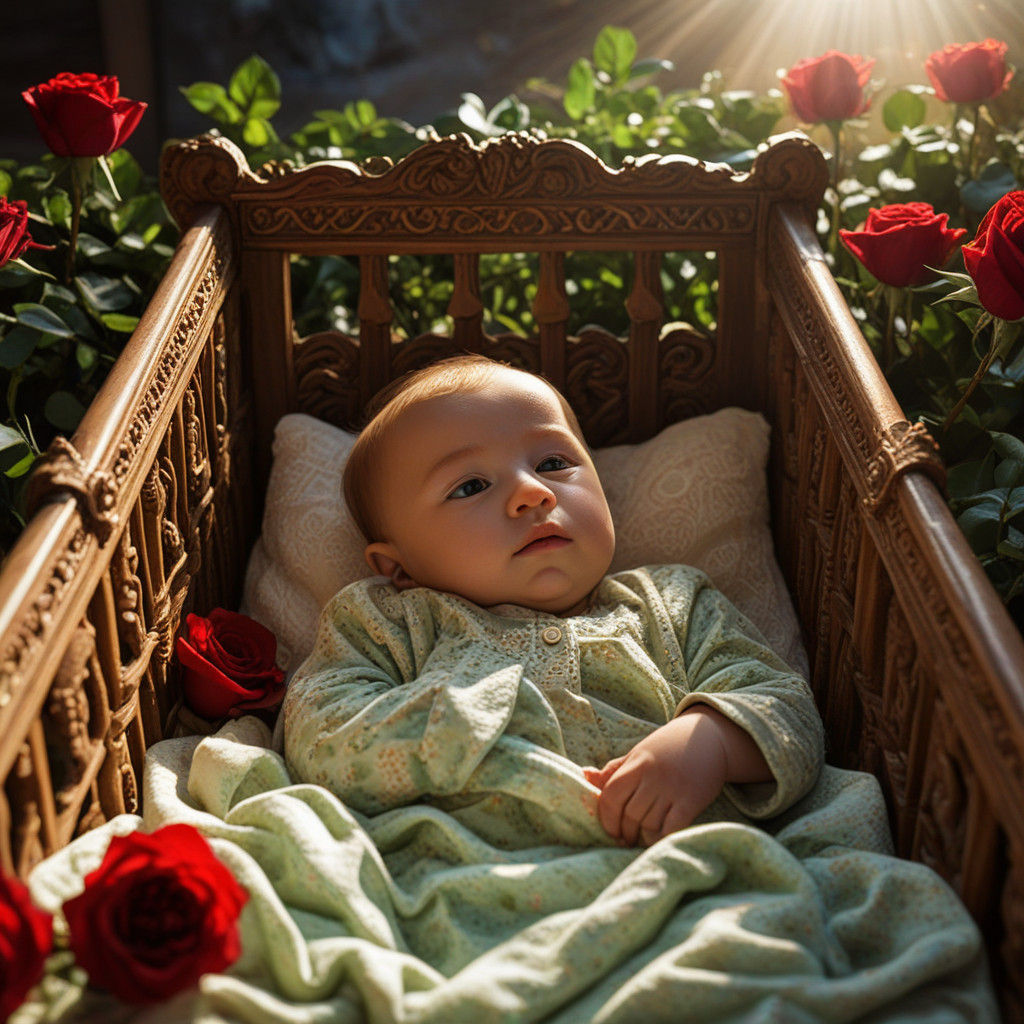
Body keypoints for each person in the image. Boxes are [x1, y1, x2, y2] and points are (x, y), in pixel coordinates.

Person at [282, 354, 824, 847]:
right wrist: (454, 720)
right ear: (398, 566)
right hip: (463, 877)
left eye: (553, 464)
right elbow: (318, 733)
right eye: (470, 486)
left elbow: (785, 706)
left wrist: (712, 743)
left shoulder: (671, 602)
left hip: (666, 866)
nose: (532, 493)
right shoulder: (388, 622)